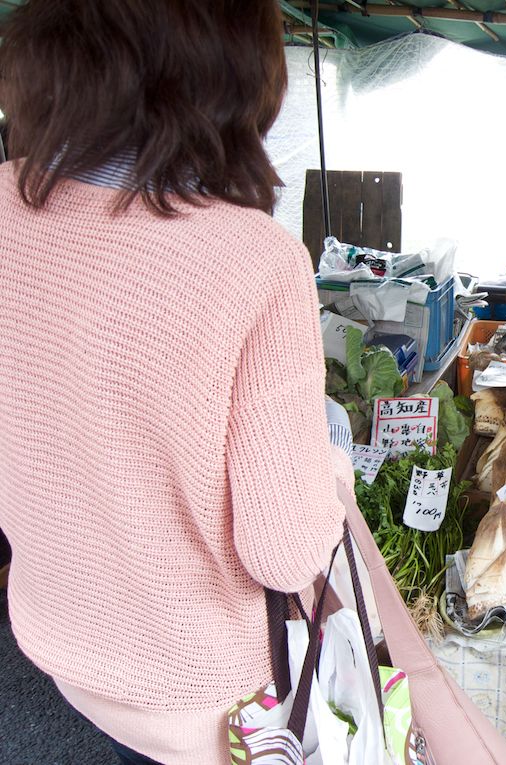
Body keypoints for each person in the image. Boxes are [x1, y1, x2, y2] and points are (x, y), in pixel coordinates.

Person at [0, 2, 353, 763]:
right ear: (231, 77)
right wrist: (333, 470)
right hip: (196, 694)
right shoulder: (252, 259)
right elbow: (286, 552)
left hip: (57, 633)